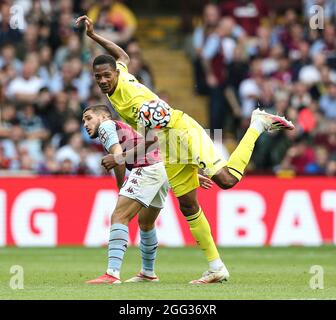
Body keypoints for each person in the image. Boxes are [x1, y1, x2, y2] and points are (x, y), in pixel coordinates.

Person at [76, 16, 295, 284]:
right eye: (98, 77)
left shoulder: (134, 99)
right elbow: (121, 54)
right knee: (189, 205)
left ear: (117, 74)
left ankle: (257, 125)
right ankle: (216, 267)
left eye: (106, 76)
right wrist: (94, 36)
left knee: (226, 180)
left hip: (181, 131)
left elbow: (151, 139)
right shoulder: (117, 81)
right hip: (169, 145)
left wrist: (119, 157)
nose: (102, 81)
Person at [82, 105, 169, 284]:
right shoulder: (122, 128)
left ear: (104, 116)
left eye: (89, 118)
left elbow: (118, 158)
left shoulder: (106, 126)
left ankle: (112, 274)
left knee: (119, 216)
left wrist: (121, 186)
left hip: (146, 169)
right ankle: (148, 272)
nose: (85, 123)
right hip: (160, 170)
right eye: (83, 120)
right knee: (146, 223)